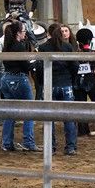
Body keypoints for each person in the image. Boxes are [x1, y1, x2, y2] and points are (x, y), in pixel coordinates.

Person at [0, 19, 39, 152]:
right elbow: (26, 66)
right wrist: (35, 62)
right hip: (19, 79)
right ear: (17, 33)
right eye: (23, 31)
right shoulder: (19, 46)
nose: (25, 33)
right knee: (30, 111)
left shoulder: (6, 46)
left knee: (10, 113)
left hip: (6, 79)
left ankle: (6, 142)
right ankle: (28, 142)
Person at [39, 23, 79, 156]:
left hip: (50, 86)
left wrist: (41, 83)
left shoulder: (43, 47)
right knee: (69, 117)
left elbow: (39, 68)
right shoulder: (67, 47)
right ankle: (70, 147)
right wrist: (72, 80)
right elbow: (75, 66)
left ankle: (51, 147)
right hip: (66, 85)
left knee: (49, 118)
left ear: (48, 33)